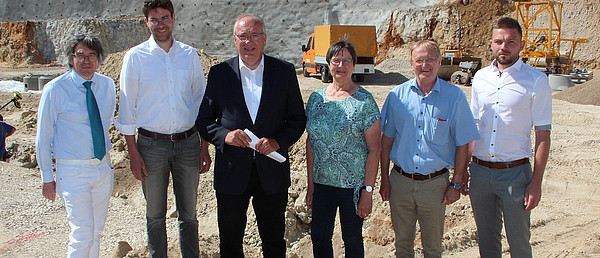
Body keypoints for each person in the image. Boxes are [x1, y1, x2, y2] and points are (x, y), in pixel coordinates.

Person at [196, 14, 306, 258]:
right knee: (230, 240)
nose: (249, 42)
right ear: (235, 40)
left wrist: (278, 141)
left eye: (255, 35)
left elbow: (298, 118)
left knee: (274, 241)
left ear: (264, 39)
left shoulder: (284, 72)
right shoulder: (219, 74)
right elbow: (203, 121)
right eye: (243, 36)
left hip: (272, 173)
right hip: (232, 172)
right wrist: (226, 135)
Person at [116, 0, 211, 256]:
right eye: (154, 19)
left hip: (188, 144)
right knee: (155, 215)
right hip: (151, 146)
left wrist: (204, 146)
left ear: (174, 18)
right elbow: (126, 108)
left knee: (189, 214)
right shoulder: (135, 58)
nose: (160, 24)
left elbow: (201, 103)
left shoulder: (189, 55)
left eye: (165, 18)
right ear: (146, 21)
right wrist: (133, 154)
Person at [379, 40, 480, 257]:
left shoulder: (455, 97)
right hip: (400, 183)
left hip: (435, 186)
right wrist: (385, 179)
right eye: (419, 60)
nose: (425, 65)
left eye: (430, 59)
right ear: (411, 63)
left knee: (433, 248)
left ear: (439, 61)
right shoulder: (397, 96)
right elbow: (386, 140)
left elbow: (463, 143)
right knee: (402, 246)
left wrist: (457, 182)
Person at [468, 17, 552, 258]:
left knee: (519, 244)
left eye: (510, 42)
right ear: (492, 44)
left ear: (521, 45)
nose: (504, 47)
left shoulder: (536, 80)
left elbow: (543, 135)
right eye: (499, 41)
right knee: (486, 242)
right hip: (480, 173)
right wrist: (462, 170)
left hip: (515, 175)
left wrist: (535, 182)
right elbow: (472, 128)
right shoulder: (481, 78)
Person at [35, 34, 116, 257]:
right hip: (72, 171)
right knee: (82, 233)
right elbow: (44, 138)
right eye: (81, 55)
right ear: (72, 59)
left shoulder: (107, 86)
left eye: (92, 55)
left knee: (96, 232)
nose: (86, 60)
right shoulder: (55, 89)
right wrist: (47, 178)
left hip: (102, 168)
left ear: (99, 59)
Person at [304, 41, 381, 258]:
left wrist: (367, 191)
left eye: (346, 60)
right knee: (319, 236)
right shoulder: (316, 99)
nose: (341, 65)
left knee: (352, 239)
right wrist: (310, 185)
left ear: (354, 65)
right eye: (335, 60)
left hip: (353, 187)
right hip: (322, 184)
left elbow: (375, 149)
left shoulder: (365, 101)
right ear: (328, 65)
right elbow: (311, 143)